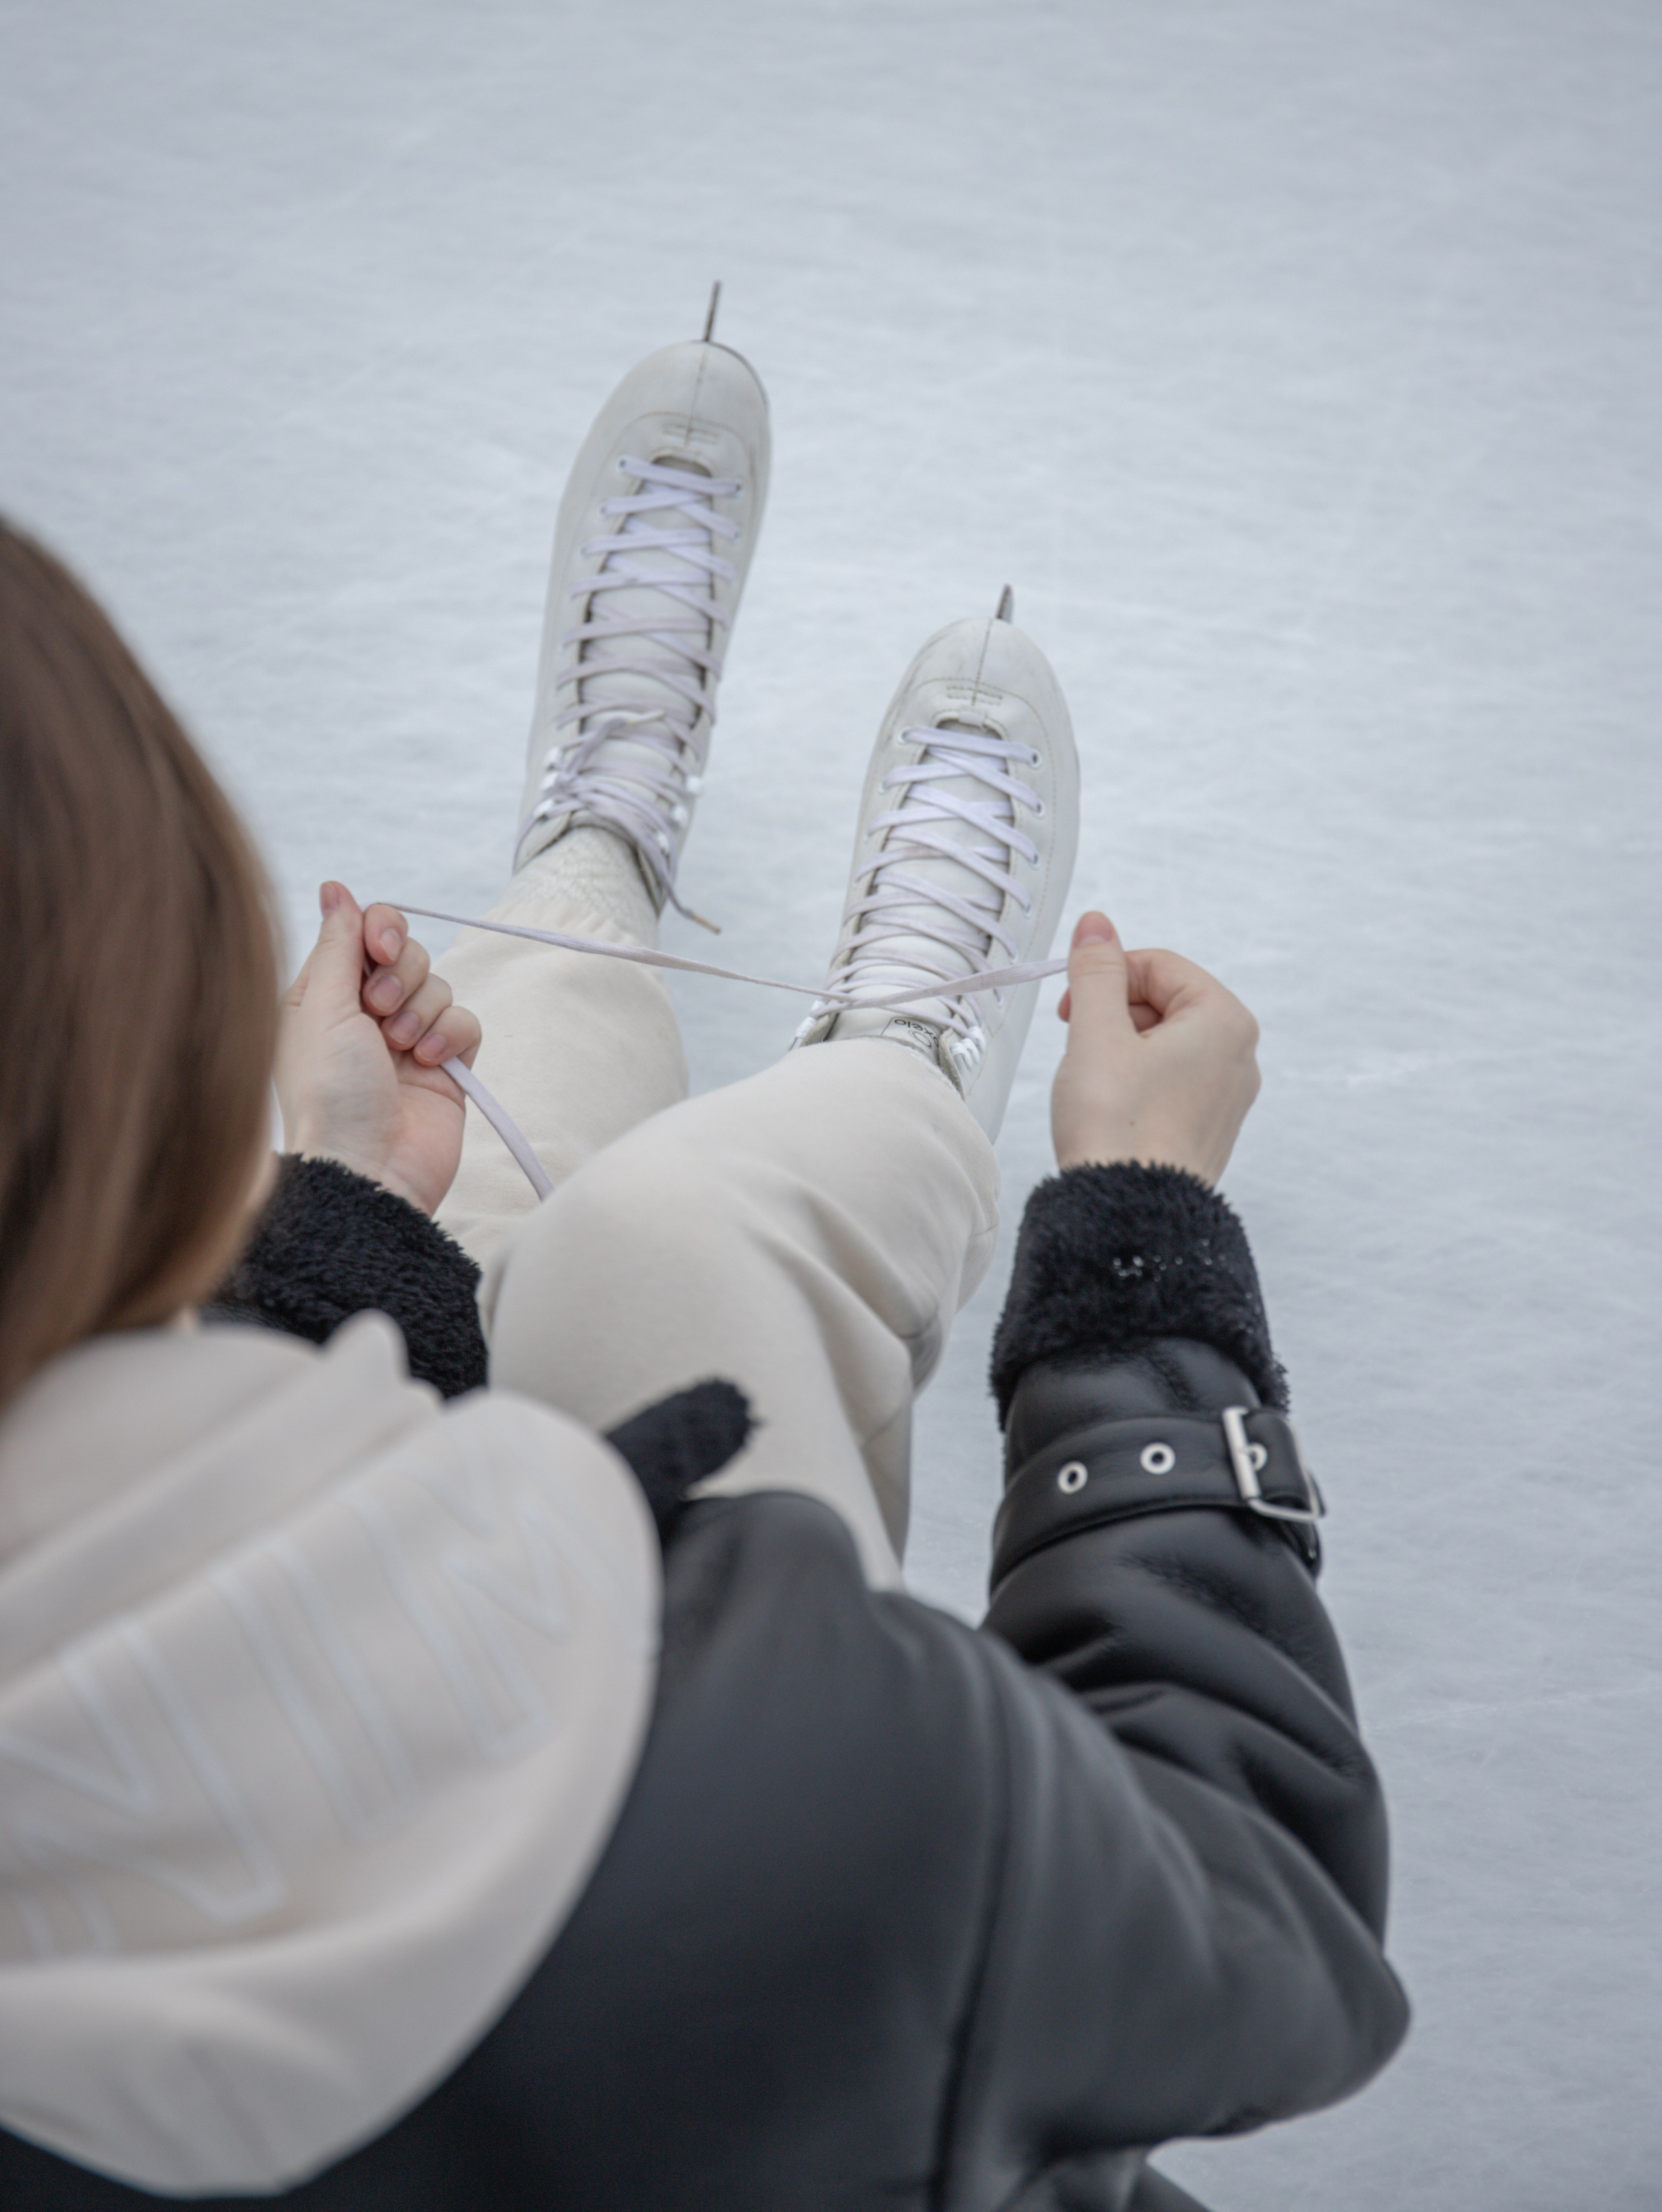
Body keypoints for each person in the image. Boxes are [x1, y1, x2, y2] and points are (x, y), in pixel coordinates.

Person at [0, 323, 1406, 2212]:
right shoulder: (807, 1792)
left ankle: (591, 862)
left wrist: (342, 1210)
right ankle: (902, 1061)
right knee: (674, 1244)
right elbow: (1259, 1910)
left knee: (511, 1186)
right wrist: (1143, 1239)